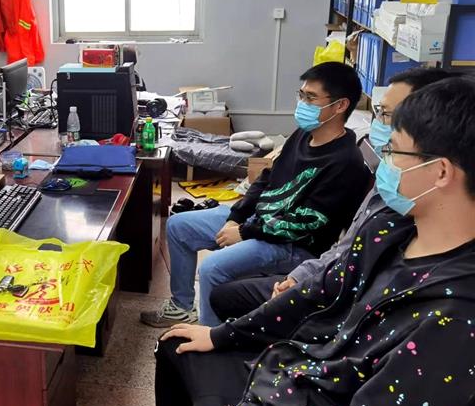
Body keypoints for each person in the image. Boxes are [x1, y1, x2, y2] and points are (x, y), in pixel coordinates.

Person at [109, 76, 475, 406]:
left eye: (394, 150)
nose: (383, 160)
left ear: (440, 171)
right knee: (175, 344)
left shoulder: (457, 314)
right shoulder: (391, 230)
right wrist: (222, 335)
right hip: (299, 379)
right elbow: (316, 292)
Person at [210, 68, 461, 324]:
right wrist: (296, 276)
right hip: (312, 265)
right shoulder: (387, 182)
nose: (379, 125)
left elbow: (318, 236)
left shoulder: (360, 172)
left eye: (387, 115)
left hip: (313, 270)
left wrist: (247, 232)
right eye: (378, 112)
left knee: (215, 273)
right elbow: (345, 248)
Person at [141, 62, 371, 328]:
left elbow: (304, 225)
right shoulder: (303, 134)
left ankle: (211, 336)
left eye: (311, 97)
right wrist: (236, 217)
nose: (302, 104)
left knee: (212, 268)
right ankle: (182, 307)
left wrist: (244, 232)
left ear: (340, 105)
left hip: (293, 246)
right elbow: (267, 178)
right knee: (178, 226)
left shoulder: (346, 163)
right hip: (259, 223)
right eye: (301, 95)